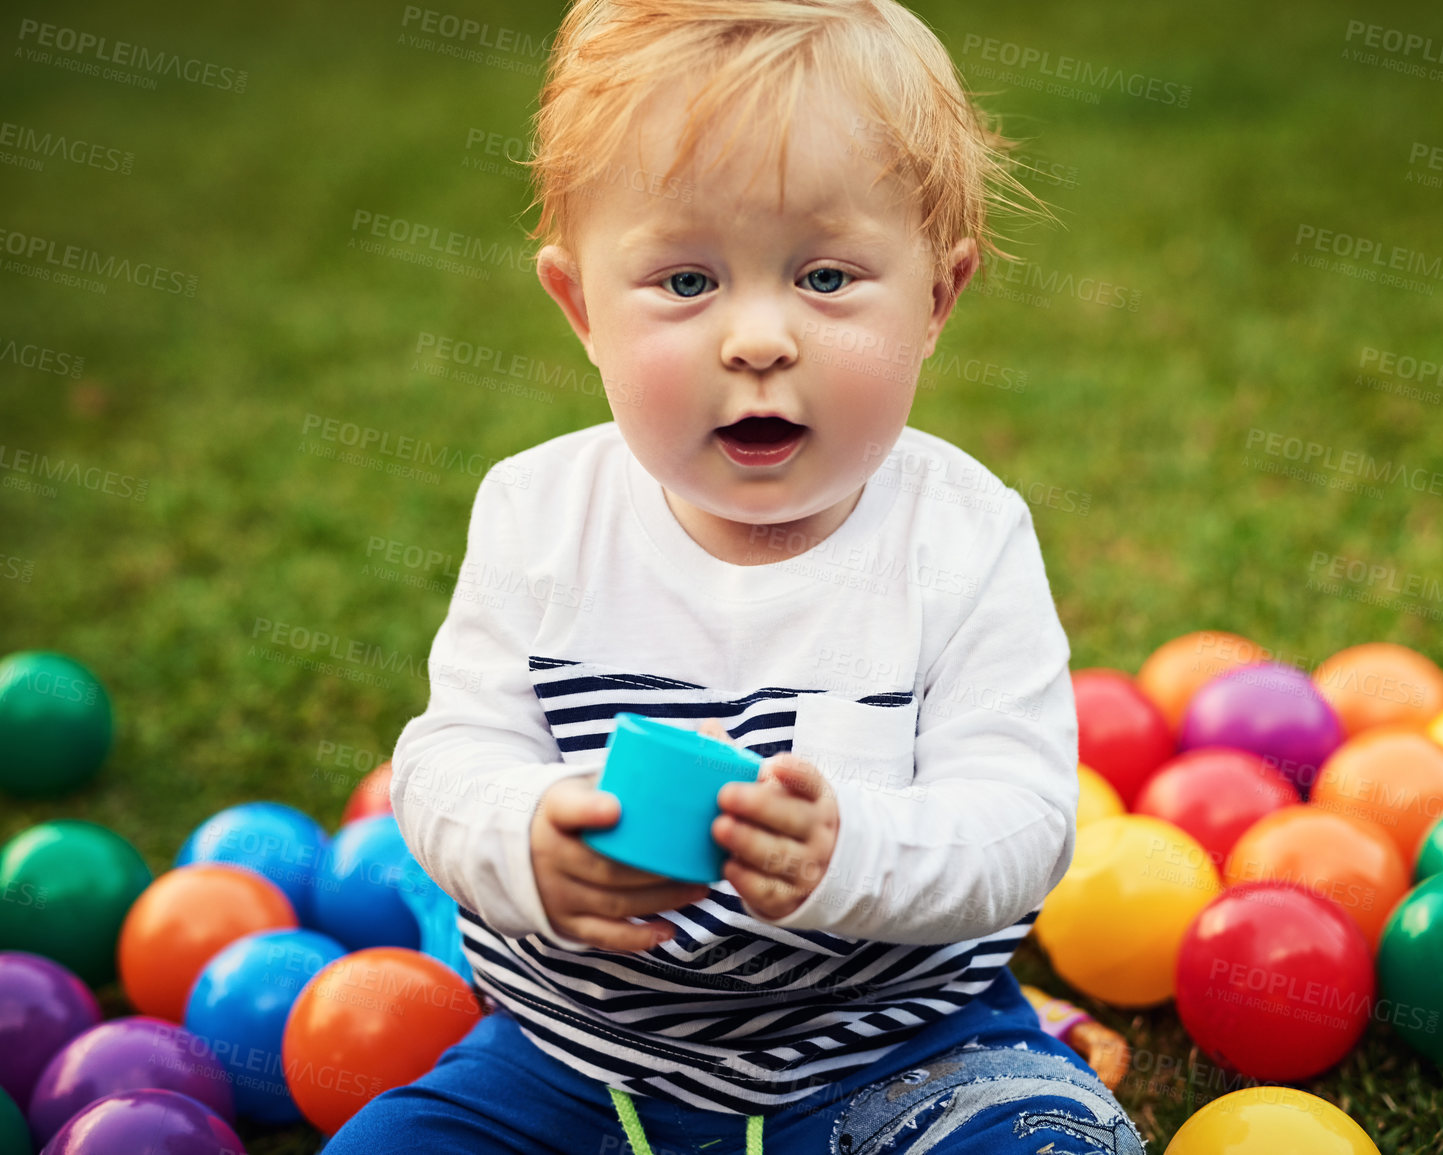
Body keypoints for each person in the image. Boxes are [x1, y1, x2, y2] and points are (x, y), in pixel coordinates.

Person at [324, 0, 1143, 1151]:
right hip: (571, 1062)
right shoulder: (538, 514)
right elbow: (449, 758)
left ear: (936, 300)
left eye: (825, 275)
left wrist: (850, 851)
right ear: (581, 308)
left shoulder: (963, 535)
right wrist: (530, 835)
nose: (757, 338)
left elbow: (1021, 823)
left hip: (896, 1048)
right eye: (687, 282)